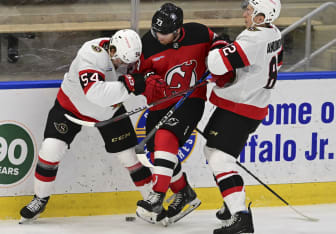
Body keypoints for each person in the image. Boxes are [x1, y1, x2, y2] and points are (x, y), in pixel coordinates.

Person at [19, 29, 153, 223]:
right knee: (50, 150)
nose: (124, 66)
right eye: (121, 61)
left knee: (129, 156)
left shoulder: (130, 54)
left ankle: (152, 202)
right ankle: (40, 199)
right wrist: (130, 86)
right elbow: (94, 93)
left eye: (128, 63)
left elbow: (146, 76)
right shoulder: (91, 53)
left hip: (109, 111)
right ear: (112, 49)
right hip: (70, 108)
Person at [134, 2, 218, 225]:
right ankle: (185, 194)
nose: (158, 36)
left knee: (164, 137)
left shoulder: (199, 32)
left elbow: (220, 43)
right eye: (156, 31)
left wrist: (219, 57)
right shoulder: (148, 43)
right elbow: (138, 75)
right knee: (158, 153)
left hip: (191, 100)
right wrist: (148, 80)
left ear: (178, 29)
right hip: (160, 103)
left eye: (164, 33)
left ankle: (156, 196)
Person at [204, 0, 283, 233]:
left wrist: (219, 45)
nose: (245, 13)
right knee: (210, 151)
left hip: (242, 107)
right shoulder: (273, 32)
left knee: (220, 159)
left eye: (250, 10)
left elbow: (216, 64)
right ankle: (232, 204)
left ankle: (241, 217)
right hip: (245, 104)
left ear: (261, 17)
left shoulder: (253, 37)